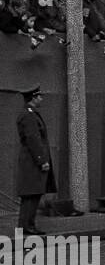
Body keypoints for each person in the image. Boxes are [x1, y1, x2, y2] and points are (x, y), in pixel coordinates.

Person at [15, 85, 54, 233]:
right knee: (31, 194)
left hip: (31, 161)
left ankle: (26, 225)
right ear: (33, 98)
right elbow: (33, 139)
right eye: (39, 96)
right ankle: (27, 226)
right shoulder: (29, 115)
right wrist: (42, 160)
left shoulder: (29, 113)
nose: (41, 99)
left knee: (32, 194)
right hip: (32, 162)